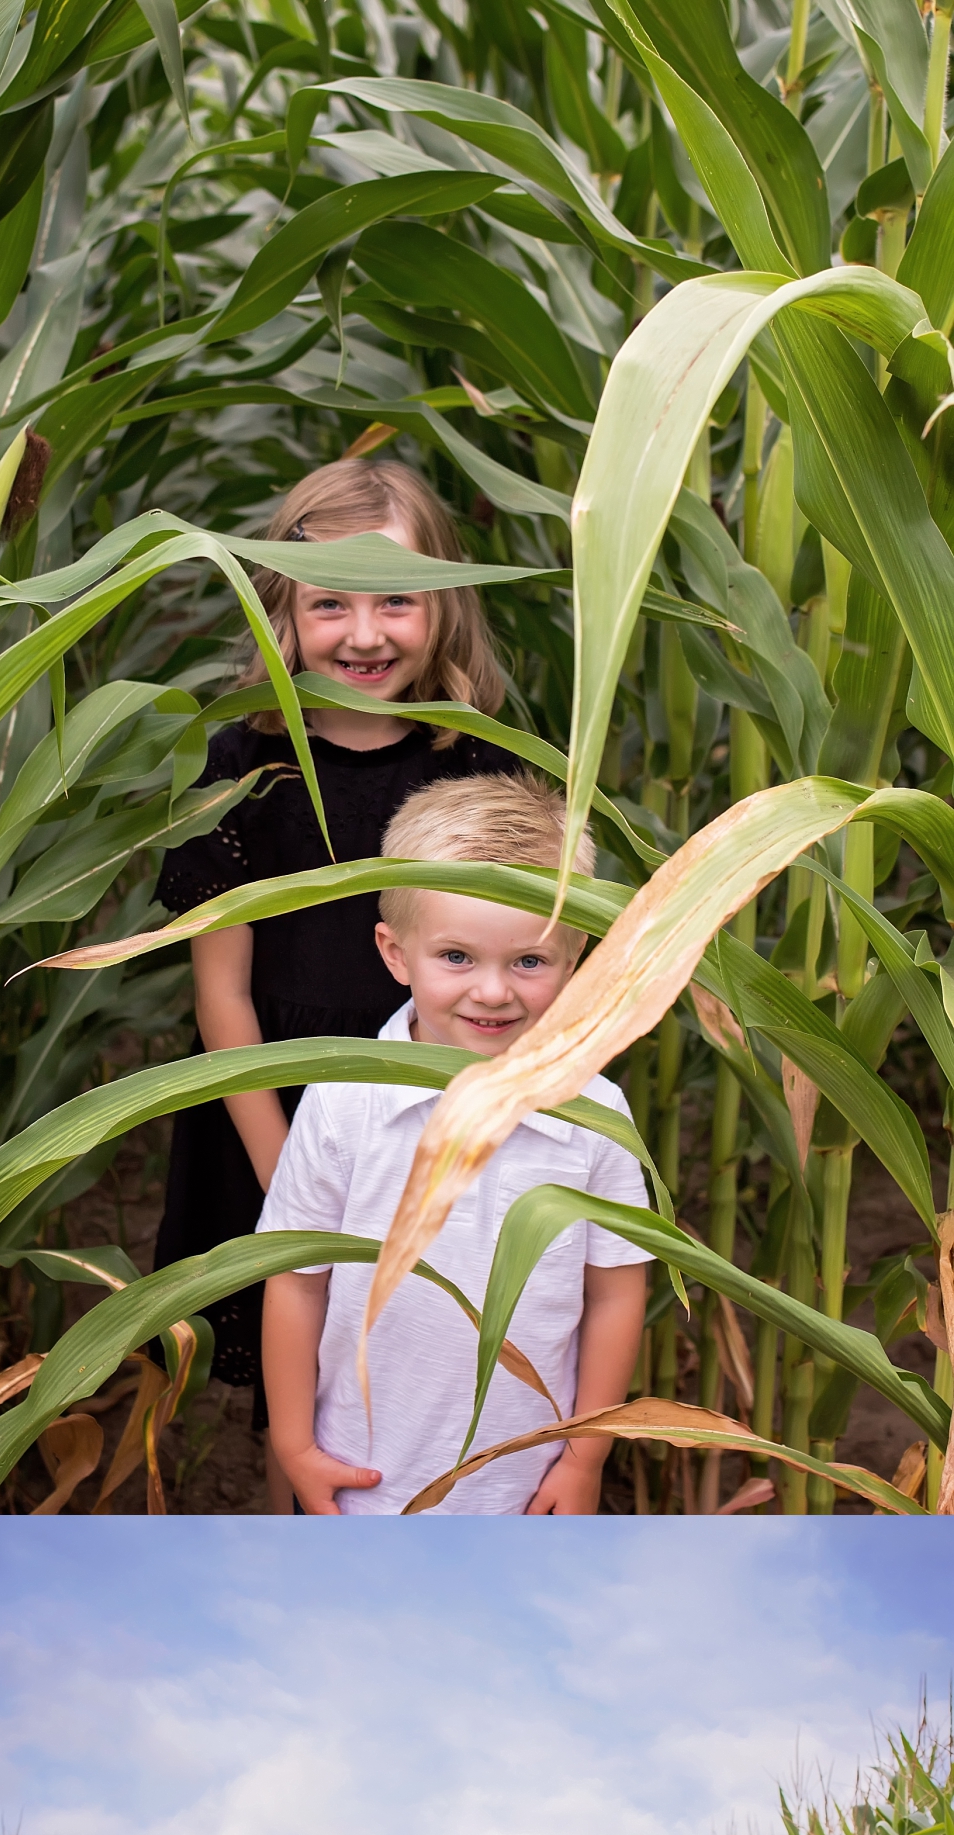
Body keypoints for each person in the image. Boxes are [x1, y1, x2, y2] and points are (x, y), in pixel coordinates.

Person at [153, 453, 515, 1496]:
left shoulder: (478, 767)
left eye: (396, 600)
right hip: (276, 1112)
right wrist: (290, 1187)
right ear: (283, 610)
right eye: (330, 605)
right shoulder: (237, 769)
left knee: (430, 1362)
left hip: (433, 1118)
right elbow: (222, 995)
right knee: (302, 1387)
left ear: (443, 607)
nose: (364, 634)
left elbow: (518, 967)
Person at [256, 773, 649, 1515]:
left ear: (577, 955)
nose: (493, 992)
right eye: (457, 958)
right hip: (364, 1477)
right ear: (396, 953)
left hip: (526, 1484)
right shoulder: (344, 1101)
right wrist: (295, 1447)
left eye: (529, 961)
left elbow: (615, 1295)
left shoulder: (596, 1115)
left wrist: (584, 1458)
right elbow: (296, 1282)